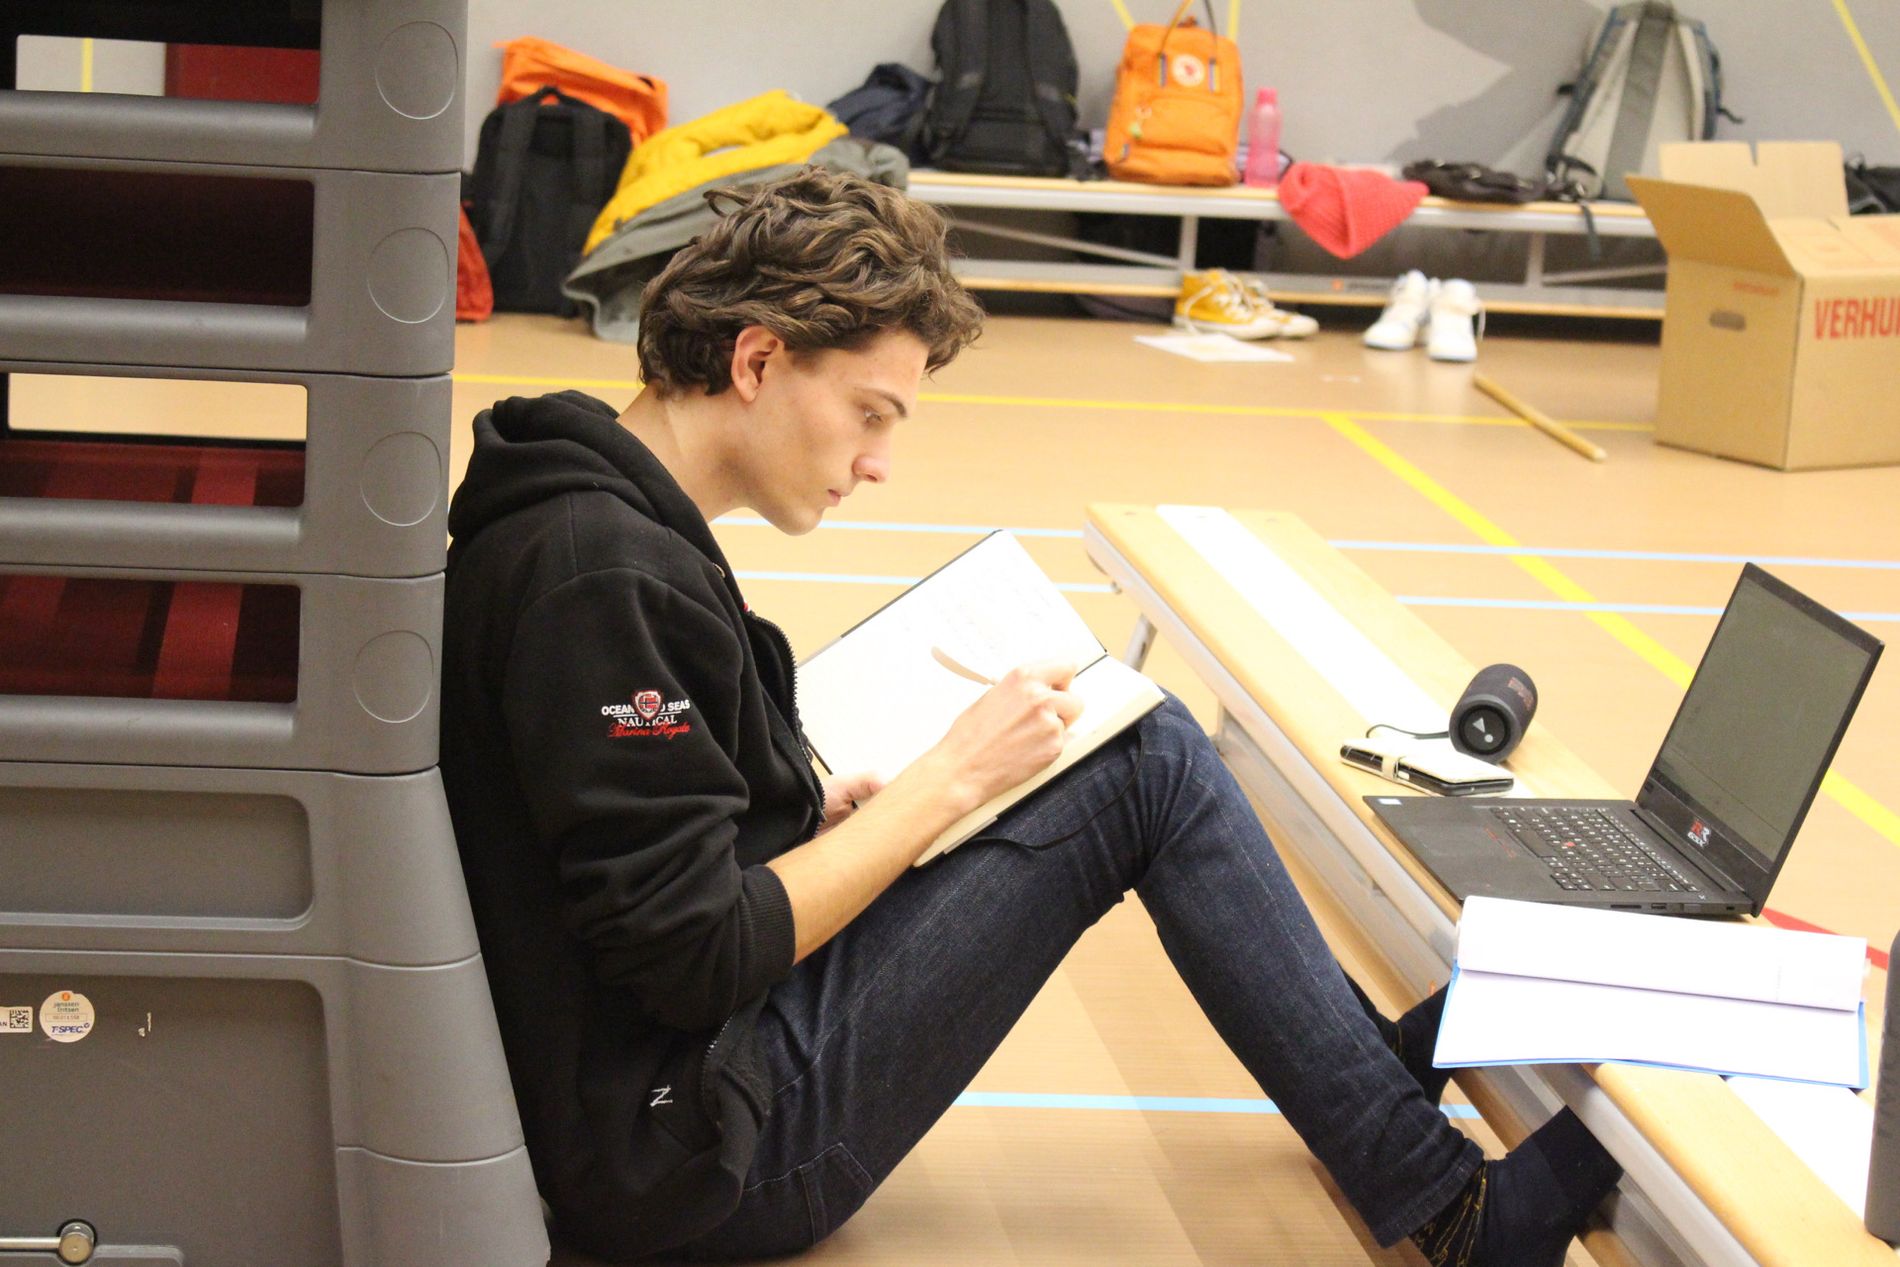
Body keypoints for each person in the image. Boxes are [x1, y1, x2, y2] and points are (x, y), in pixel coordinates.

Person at [439, 168, 1620, 1266]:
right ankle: (1449, 1206)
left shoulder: (592, 518)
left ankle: (1352, 1068)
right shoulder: (604, 577)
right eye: (868, 412)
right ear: (757, 359)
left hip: (674, 1083)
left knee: (1117, 745)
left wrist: (818, 809)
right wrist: (939, 785)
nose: (878, 461)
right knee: (1146, 762)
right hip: (698, 1153)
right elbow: (691, 958)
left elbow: (628, 860)